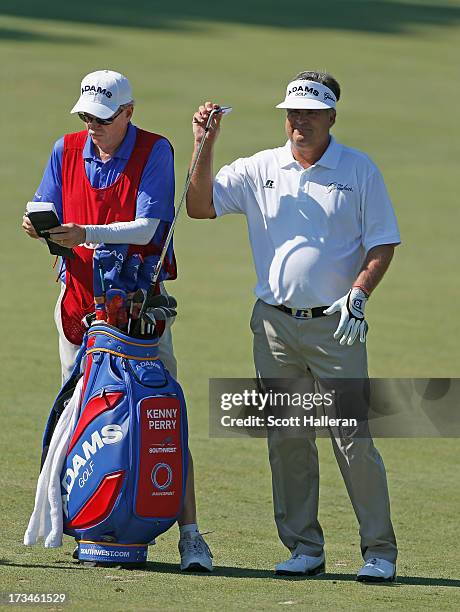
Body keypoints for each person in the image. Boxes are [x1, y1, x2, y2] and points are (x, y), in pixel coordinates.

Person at [186, 71, 400, 582]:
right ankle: (305, 547)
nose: (298, 121)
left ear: (330, 117)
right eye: (292, 112)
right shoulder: (261, 166)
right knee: (287, 438)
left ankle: (380, 552)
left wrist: (359, 294)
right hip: (274, 329)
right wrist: (203, 145)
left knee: (352, 438)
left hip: (336, 325)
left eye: (309, 112)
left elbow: (383, 241)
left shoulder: (358, 169)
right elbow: (199, 206)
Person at [22, 69, 213, 572]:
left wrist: (85, 230)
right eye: (87, 116)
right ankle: (82, 520)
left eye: (103, 118)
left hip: (137, 310)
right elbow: (48, 206)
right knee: (77, 415)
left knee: (160, 414)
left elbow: (149, 226)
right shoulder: (66, 149)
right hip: (78, 304)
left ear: (128, 112)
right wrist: (39, 224)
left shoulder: (155, 150)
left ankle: (190, 535)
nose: (93, 126)